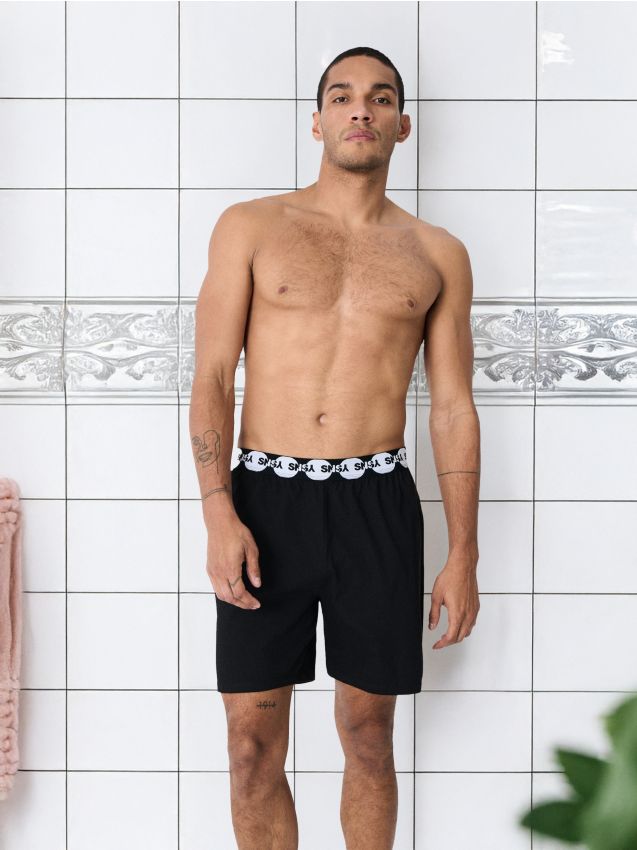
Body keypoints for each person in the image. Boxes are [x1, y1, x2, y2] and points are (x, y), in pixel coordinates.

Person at [189, 45, 480, 850]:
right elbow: (211, 376)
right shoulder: (251, 227)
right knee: (250, 747)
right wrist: (218, 513)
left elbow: (452, 408)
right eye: (343, 96)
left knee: (368, 737)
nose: (361, 109)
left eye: (380, 98)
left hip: (374, 504)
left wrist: (462, 552)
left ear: (401, 125)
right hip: (264, 501)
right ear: (316, 121)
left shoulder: (437, 253)